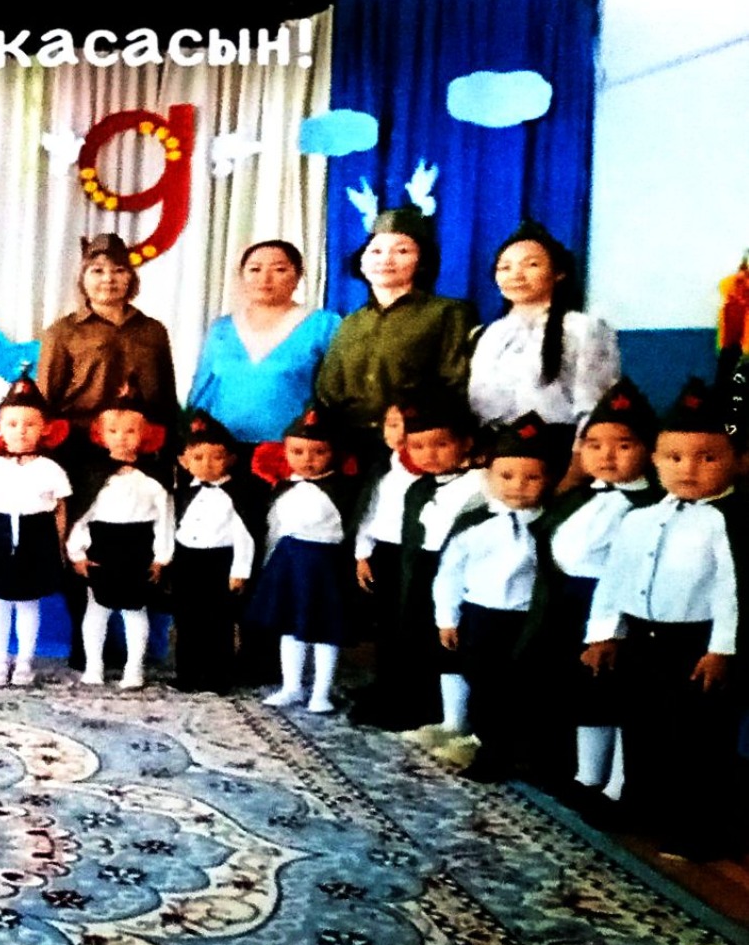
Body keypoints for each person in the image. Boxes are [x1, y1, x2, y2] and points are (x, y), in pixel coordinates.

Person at [582, 379, 747, 860]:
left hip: (698, 647)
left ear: (738, 460)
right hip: (643, 640)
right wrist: (605, 634)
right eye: (674, 457)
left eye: (707, 457)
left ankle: (701, 829)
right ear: (655, 459)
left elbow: (735, 590)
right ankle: (643, 806)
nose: (688, 469)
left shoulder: (731, 521)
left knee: (698, 739)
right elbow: (616, 578)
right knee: (644, 727)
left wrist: (722, 649)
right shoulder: (641, 518)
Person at [519, 378, 663, 805]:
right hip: (563, 603)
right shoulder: (578, 496)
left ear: (650, 450)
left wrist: (611, 630)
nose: (607, 455)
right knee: (566, 688)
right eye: (595, 445)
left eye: (623, 445)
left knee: (603, 695)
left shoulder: (650, 508)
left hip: (609, 611)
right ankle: (570, 769)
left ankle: (606, 783)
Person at [37, 233, 178, 672]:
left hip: (140, 448)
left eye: (119, 271)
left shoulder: (152, 331)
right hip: (82, 449)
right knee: (84, 540)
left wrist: (168, 450)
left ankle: (135, 642)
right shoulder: (63, 331)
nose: (108, 280)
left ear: (131, 278)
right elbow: (46, 398)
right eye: (97, 271)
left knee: (134, 540)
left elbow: (166, 395)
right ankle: (87, 644)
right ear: (83, 277)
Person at [352, 391, 487, 731]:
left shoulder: (480, 484)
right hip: (417, 567)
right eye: (418, 446)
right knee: (405, 634)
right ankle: (400, 697)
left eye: (441, 444)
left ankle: (437, 711)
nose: (429, 454)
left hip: (455, 571)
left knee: (440, 640)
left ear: (466, 443)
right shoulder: (418, 488)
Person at [430, 412, 552, 781]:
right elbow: (449, 572)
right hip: (480, 614)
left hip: (527, 620)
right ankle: (489, 747)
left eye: (532, 477)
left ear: (549, 479)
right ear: (489, 476)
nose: (518, 486)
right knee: (482, 682)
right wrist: (447, 618)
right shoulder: (474, 522)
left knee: (521, 686)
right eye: (507, 476)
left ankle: (521, 751)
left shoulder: (550, 525)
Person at [316, 206, 475, 472]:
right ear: (362, 261)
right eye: (376, 251)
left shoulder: (448, 313)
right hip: (348, 447)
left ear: (422, 261)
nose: (386, 260)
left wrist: (412, 417)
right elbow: (328, 391)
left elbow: (456, 382)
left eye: (402, 251)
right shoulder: (351, 322)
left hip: (417, 446)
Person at [468, 223, 619, 470]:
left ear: (559, 273)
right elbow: (478, 406)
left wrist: (577, 468)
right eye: (505, 267)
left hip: (559, 453)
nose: (516, 275)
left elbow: (592, 407)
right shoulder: (490, 333)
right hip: (500, 454)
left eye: (531, 265)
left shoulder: (583, 328)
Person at [0, 371, 72, 688]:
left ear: (45, 428)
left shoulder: (51, 469)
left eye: (30, 424)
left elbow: (60, 511)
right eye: (12, 424)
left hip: (37, 538)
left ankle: (25, 662)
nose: (21, 431)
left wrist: (59, 547)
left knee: (28, 602)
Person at [249, 405, 359, 713]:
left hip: (325, 565)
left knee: (325, 630)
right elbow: (274, 527)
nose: (307, 459)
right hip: (287, 562)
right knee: (289, 627)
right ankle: (292, 686)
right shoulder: (283, 488)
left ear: (334, 453)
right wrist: (268, 564)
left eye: (318, 452)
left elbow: (355, 528)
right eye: (297, 452)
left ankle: (321, 692)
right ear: (284, 452)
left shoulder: (343, 490)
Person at [66, 394, 174, 690]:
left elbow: (165, 519)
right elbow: (81, 517)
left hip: (138, 548)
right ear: (100, 434)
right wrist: (77, 552)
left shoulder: (154, 477)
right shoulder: (93, 474)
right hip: (102, 546)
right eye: (113, 431)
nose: (121, 438)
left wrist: (161, 557)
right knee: (96, 609)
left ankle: (134, 669)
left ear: (145, 433)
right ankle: (94, 666)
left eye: (130, 431)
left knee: (135, 611)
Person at [186, 240, 341, 447]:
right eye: (255, 269)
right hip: (222, 453)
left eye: (279, 269)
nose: (265, 278)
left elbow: (337, 394)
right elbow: (202, 392)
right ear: (241, 276)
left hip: (296, 452)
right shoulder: (222, 329)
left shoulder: (323, 325)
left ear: (298, 276)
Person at [170, 410, 261, 694]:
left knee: (218, 621)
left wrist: (240, 571)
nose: (206, 464)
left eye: (216, 457)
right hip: (187, 559)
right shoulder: (183, 492)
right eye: (198, 457)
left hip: (220, 562)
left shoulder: (236, 495)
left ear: (231, 459)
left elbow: (245, 536)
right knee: (186, 619)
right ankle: (187, 674)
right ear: (184, 461)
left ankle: (217, 676)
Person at [350, 403, 421, 705]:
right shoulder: (383, 468)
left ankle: (406, 693)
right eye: (392, 424)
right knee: (385, 621)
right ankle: (384, 683)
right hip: (384, 550)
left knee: (409, 623)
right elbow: (369, 512)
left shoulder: (425, 474)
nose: (399, 433)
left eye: (408, 425)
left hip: (413, 555)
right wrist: (362, 554)